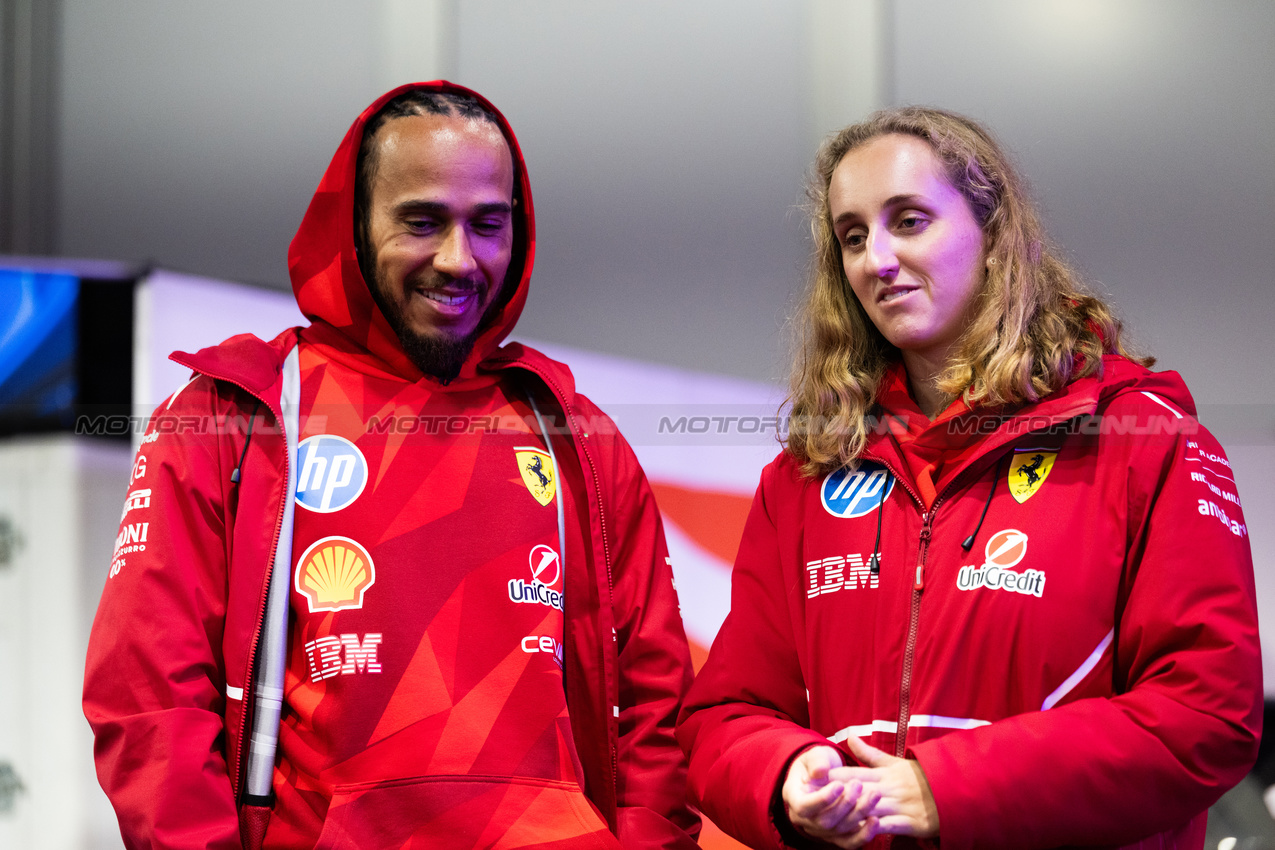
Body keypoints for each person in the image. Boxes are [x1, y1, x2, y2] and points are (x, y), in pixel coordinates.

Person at [84, 82, 700, 850]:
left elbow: (655, 707)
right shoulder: (233, 415)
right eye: (421, 221)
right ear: (352, 225)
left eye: (488, 225)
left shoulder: (578, 438)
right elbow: (149, 697)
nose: (458, 259)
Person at [676, 106, 1261, 849]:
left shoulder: (1142, 443)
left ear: (992, 238)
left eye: (908, 221)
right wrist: (786, 775)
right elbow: (723, 715)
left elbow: (1204, 716)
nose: (875, 259)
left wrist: (941, 789)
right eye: (852, 237)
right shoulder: (804, 476)